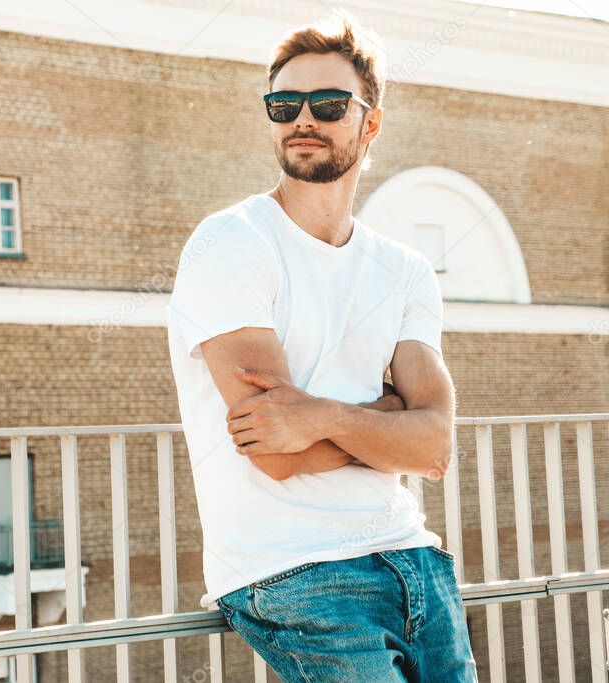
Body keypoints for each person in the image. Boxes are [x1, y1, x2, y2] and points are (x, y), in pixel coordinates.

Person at [165, 10, 478, 682]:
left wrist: (324, 415)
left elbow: (436, 446)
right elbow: (279, 454)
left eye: (329, 104)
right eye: (284, 104)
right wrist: (388, 420)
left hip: (415, 557)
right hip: (292, 569)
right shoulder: (231, 245)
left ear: (370, 123)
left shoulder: (405, 270)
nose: (302, 118)